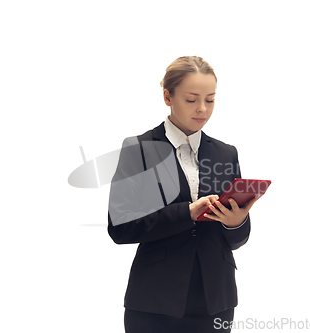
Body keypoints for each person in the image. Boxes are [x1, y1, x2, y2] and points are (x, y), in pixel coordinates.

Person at [107, 56, 260, 333]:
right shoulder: (138, 149)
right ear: (168, 96)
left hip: (216, 301)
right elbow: (120, 227)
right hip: (155, 302)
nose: (202, 109)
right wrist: (188, 212)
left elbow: (236, 240)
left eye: (210, 99)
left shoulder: (226, 153)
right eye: (191, 100)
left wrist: (235, 222)